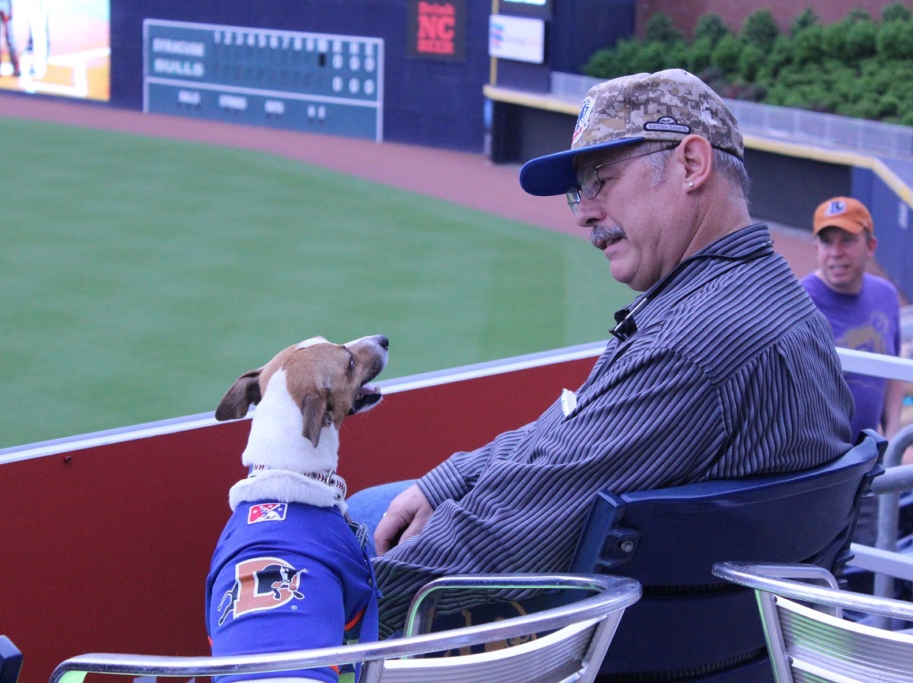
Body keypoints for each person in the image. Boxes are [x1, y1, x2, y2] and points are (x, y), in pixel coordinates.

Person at [347, 69, 854, 636]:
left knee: (342, 533)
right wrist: (448, 480)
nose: (583, 212)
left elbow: (495, 538)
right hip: (735, 646)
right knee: (393, 506)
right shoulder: (780, 300)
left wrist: (343, 591)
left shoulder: (690, 346)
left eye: (602, 181)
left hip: (618, 650)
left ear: (691, 165)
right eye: (577, 192)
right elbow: (568, 429)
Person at [800, 197, 904, 444]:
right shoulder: (798, 301)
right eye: (827, 242)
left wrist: (891, 433)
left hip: (869, 452)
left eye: (846, 240)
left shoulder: (886, 295)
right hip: (817, 457)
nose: (835, 252)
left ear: (870, 246)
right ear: (817, 250)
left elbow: (892, 370)